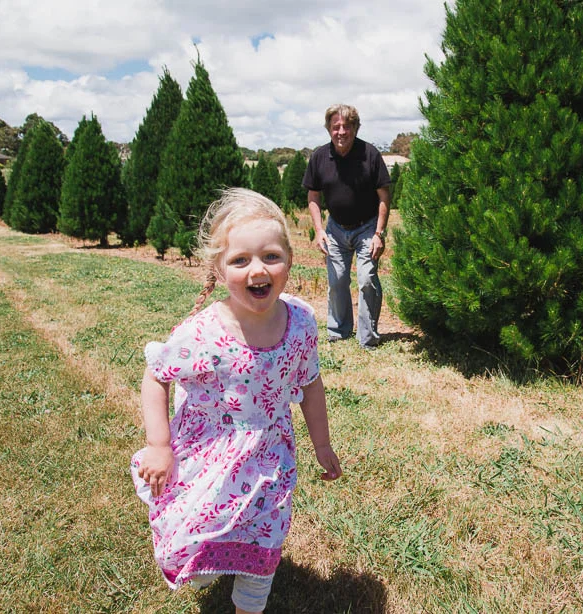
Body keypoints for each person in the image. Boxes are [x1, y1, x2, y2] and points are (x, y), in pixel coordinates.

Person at [130, 187, 342, 614]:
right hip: (210, 454)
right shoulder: (205, 332)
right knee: (200, 546)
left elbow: (311, 384)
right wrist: (158, 444)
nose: (257, 269)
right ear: (219, 268)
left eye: (270, 256)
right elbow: (156, 376)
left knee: (265, 541)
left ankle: (250, 600)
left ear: (289, 259)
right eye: (240, 260)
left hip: (271, 458)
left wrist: (322, 445)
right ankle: (210, 556)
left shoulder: (299, 322)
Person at [303, 104, 391, 348]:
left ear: (355, 128)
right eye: (336, 127)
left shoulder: (370, 154)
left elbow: (384, 196)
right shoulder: (320, 157)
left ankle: (368, 338)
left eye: (346, 126)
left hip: (367, 228)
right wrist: (319, 230)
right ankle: (339, 331)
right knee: (337, 280)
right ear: (329, 129)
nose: (341, 131)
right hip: (336, 229)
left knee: (366, 280)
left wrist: (378, 234)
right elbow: (313, 197)